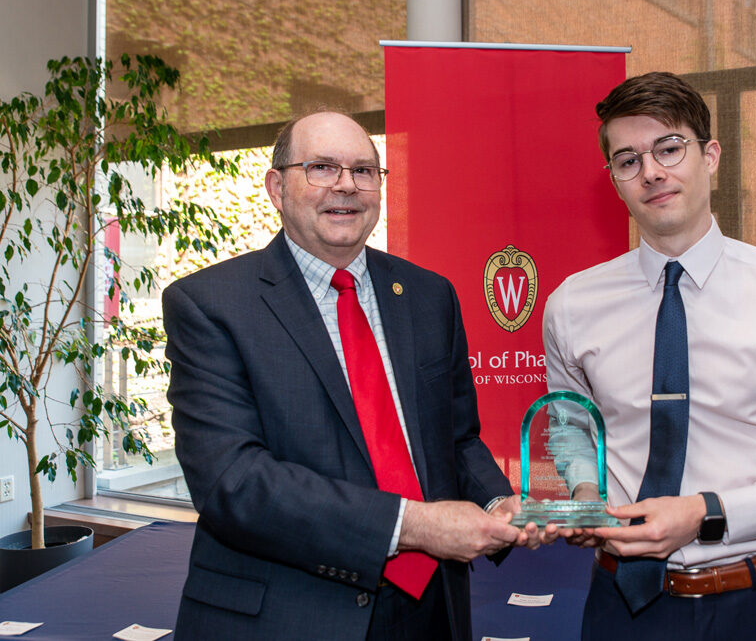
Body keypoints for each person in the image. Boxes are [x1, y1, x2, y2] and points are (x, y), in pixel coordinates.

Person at [165, 111, 541, 640]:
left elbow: (455, 438)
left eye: (364, 170)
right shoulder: (210, 304)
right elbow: (234, 482)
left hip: (430, 609)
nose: (346, 185)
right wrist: (416, 525)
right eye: (321, 167)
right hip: (289, 615)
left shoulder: (430, 296)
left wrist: (495, 501)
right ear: (277, 186)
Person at [541, 72, 756, 639]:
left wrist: (706, 512)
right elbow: (574, 430)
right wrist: (585, 495)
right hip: (617, 605)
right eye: (627, 160)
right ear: (614, 180)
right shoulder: (572, 305)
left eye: (669, 148)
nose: (651, 172)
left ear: (710, 156)